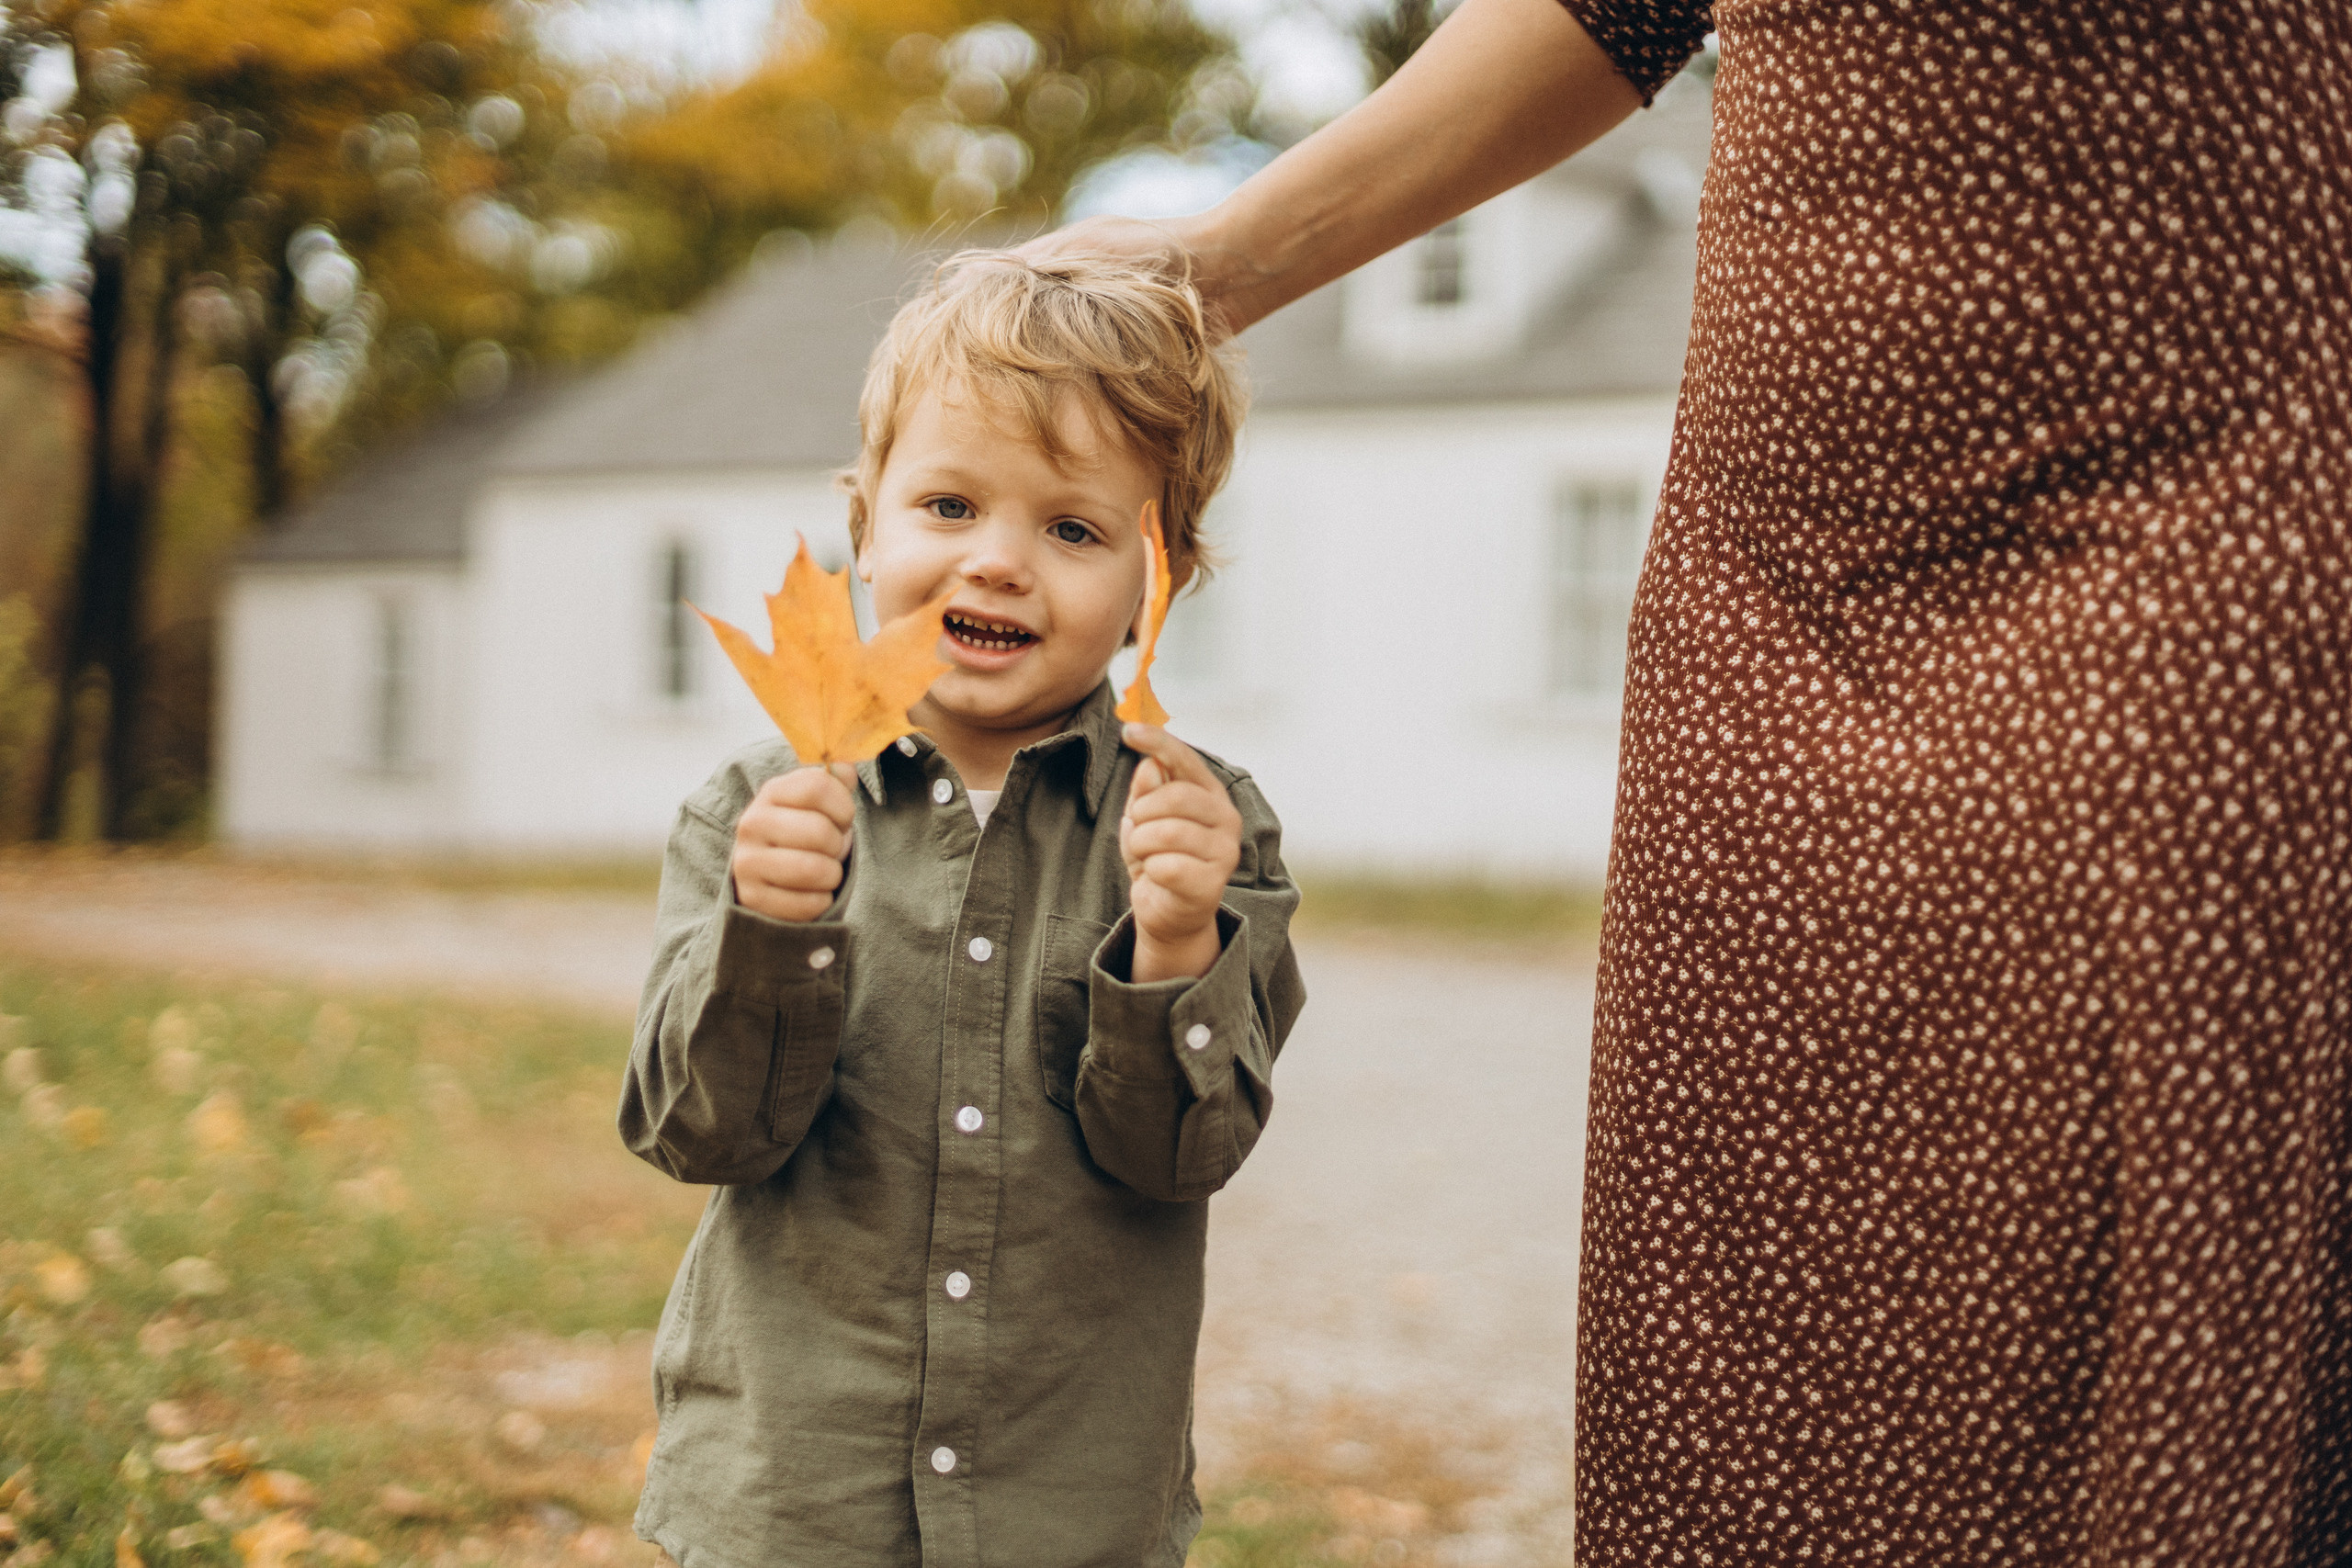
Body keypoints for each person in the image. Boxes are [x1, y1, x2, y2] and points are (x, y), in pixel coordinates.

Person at [1026, 0, 2352, 1562]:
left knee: (2129, 1221)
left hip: (2200, 504)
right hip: (1778, 571)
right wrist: (1230, 257)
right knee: (1764, 1234)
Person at [618, 251, 1307, 1566]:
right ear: (862, 520)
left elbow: (1183, 1158)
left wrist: (1173, 944)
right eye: (948, 505)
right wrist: (766, 935)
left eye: (1073, 529)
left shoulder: (1204, 831)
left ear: (1159, 583)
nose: (997, 563)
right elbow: (695, 1133)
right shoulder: (754, 809)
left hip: (1064, 1505)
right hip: (790, 1500)